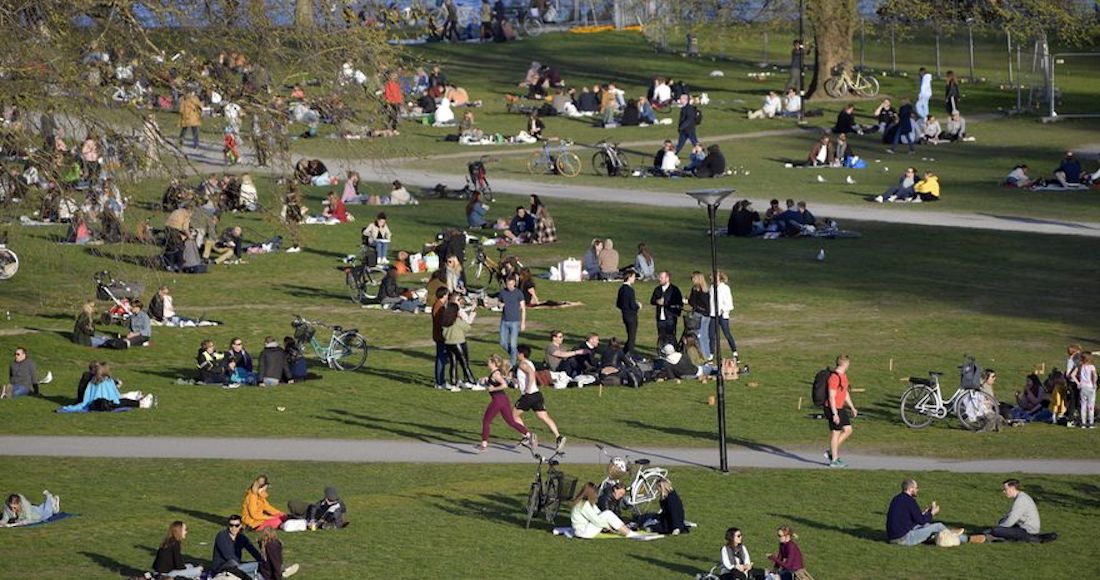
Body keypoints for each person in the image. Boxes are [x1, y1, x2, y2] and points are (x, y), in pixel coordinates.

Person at [886, 478, 979, 545]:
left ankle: (948, 534)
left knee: (927, 526)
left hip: (892, 537)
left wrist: (926, 514)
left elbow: (913, 519)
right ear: (911, 489)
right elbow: (921, 520)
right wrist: (932, 513)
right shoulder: (910, 501)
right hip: (903, 539)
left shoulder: (896, 498)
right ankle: (964, 538)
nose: (917, 490)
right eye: (916, 488)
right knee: (938, 526)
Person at [513, 344, 564, 450]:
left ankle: (527, 436)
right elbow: (530, 374)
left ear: (521, 354)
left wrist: (527, 388)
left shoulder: (523, 364)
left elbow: (531, 374)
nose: (516, 354)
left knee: (513, 416)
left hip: (528, 395)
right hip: (536, 394)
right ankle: (558, 437)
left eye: (517, 353)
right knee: (544, 417)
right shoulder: (529, 363)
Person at [478, 354, 532, 452]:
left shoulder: (496, 374)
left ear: (493, 363)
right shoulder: (495, 373)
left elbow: (504, 385)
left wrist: (493, 388)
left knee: (486, 421)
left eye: (489, 362)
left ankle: (484, 443)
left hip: (498, 400)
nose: (487, 364)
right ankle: (528, 434)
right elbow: (496, 381)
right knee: (510, 421)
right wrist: (486, 380)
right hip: (503, 400)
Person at [985, 479, 1055, 543]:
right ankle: (1009, 537)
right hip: (1022, 526)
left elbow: (1011, 520)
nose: (1003, 491)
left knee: (996, 531)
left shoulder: (1021, 500)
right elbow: (1010, 516)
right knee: (1002, 521)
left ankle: (1034, 538)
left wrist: (995, 529)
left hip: (1028, 530)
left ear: (1012, 488)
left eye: (1005, 489)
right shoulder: (1021, 496)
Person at [570, 482, 641, 538]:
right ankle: (629, 533)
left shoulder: (587, 503)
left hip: (583, 530)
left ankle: (627, 531)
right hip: (583, 532)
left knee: (607, 514)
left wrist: (609, 523)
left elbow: (599, 513)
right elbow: (596, 521)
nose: (596, 495)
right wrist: (607, 526)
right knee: (608, 514)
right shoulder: (584, 505)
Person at [825, 355, 857, 468]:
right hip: (832, 407)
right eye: (848, 363)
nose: (849, 365)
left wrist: (852, 407)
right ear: (844, 364)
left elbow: (845, 393)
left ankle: (831, 451)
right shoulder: (834, 377)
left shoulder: (843, 376)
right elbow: (831, 396)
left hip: (840, 407)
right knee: (836, 432)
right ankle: (834, 460)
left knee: (848, 430)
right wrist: (834, 414)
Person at [211, 514, 263, 579]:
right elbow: (229, 556)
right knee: (258, 567)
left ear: (240, 526)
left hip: (236, 567)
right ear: (228, 525)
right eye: (231, 525)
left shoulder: (241, 537)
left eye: (236, 525)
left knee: (261, 567)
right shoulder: (221, 536)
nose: (234, 528)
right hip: (222, 568)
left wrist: (262, 560)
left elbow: (252, 550)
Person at [442, 299, 477, 388]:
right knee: (464, 363)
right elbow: (468, 328)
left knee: (453, 364)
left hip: (448, 343)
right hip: (459, 343)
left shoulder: (445, 321)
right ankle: (472, 382)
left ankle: (454, 383)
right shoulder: (456, 321)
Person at [650, 271, 683, 351]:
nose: (659, 279)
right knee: (661, 336)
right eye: (659, 277)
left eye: (661, 278)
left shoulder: (674, 290)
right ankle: (662, 351)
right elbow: (652, 300)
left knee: (671, 336)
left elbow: (679, 303)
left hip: (670, 317)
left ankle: (672, 351)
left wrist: (669, 306)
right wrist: (657, 301)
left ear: (667, 278)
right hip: (660, 317)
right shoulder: (657, 289)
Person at [498, 275, 526, 365]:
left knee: (513, 345)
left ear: (514, 283)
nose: (509, 286)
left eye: (511, 284)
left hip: (515, 321)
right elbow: (499, 302)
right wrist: (500, 305)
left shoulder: (519, 293)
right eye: (508, 284)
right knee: (503, 343)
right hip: (504, 321)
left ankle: (513, 364)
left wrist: (523, 323)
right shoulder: (502, 292)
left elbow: (523, 308)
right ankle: (516, 355)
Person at [688, 271, 713, 361]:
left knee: (700, 336)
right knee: (704, 336)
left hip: (700, 315)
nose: (692, 280)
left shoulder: (700, 291)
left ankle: (704, 355)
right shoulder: (702, 290)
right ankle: (707, 354)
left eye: (693, 278)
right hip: (705, 315)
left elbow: (694, 302)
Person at [616, 270, 640, 354]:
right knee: (632, 337)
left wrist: (624, 308)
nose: (634, 279)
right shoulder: (630, 290)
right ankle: (628, 354)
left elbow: (618, 304)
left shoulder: (621, 289)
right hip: (632, 316)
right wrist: (638, 306)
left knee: (630, 336)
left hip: (625, 315)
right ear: (629, 277)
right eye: (633, 277)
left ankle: (624, 352)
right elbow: (632, 305)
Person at [1074, 353, 1096, 429]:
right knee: (1091, 406)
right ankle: (1091, 423)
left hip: (1083, 387)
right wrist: (1094, 384)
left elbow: (1072, 375)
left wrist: (1078, 383)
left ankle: (1083, 423)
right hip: (1090, 388)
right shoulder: (1092, 367)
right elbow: (1094, 376)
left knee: (1083, 406)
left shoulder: (1080, 367)